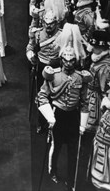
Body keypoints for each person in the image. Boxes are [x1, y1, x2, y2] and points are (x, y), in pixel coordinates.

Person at [37, 45, 92, 189]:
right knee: (56, 146)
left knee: (74, 149)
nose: (68, 63)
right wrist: (49, 117)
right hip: (58, 114)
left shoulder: (81, 78)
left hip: (73, 115)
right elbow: (42, 96)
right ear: (61, 60)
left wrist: (82, 125)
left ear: (76, 61)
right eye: (65, 60)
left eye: (71, 60)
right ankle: (53, 171)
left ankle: (71, 177)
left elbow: (85, 102)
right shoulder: (53, 75)